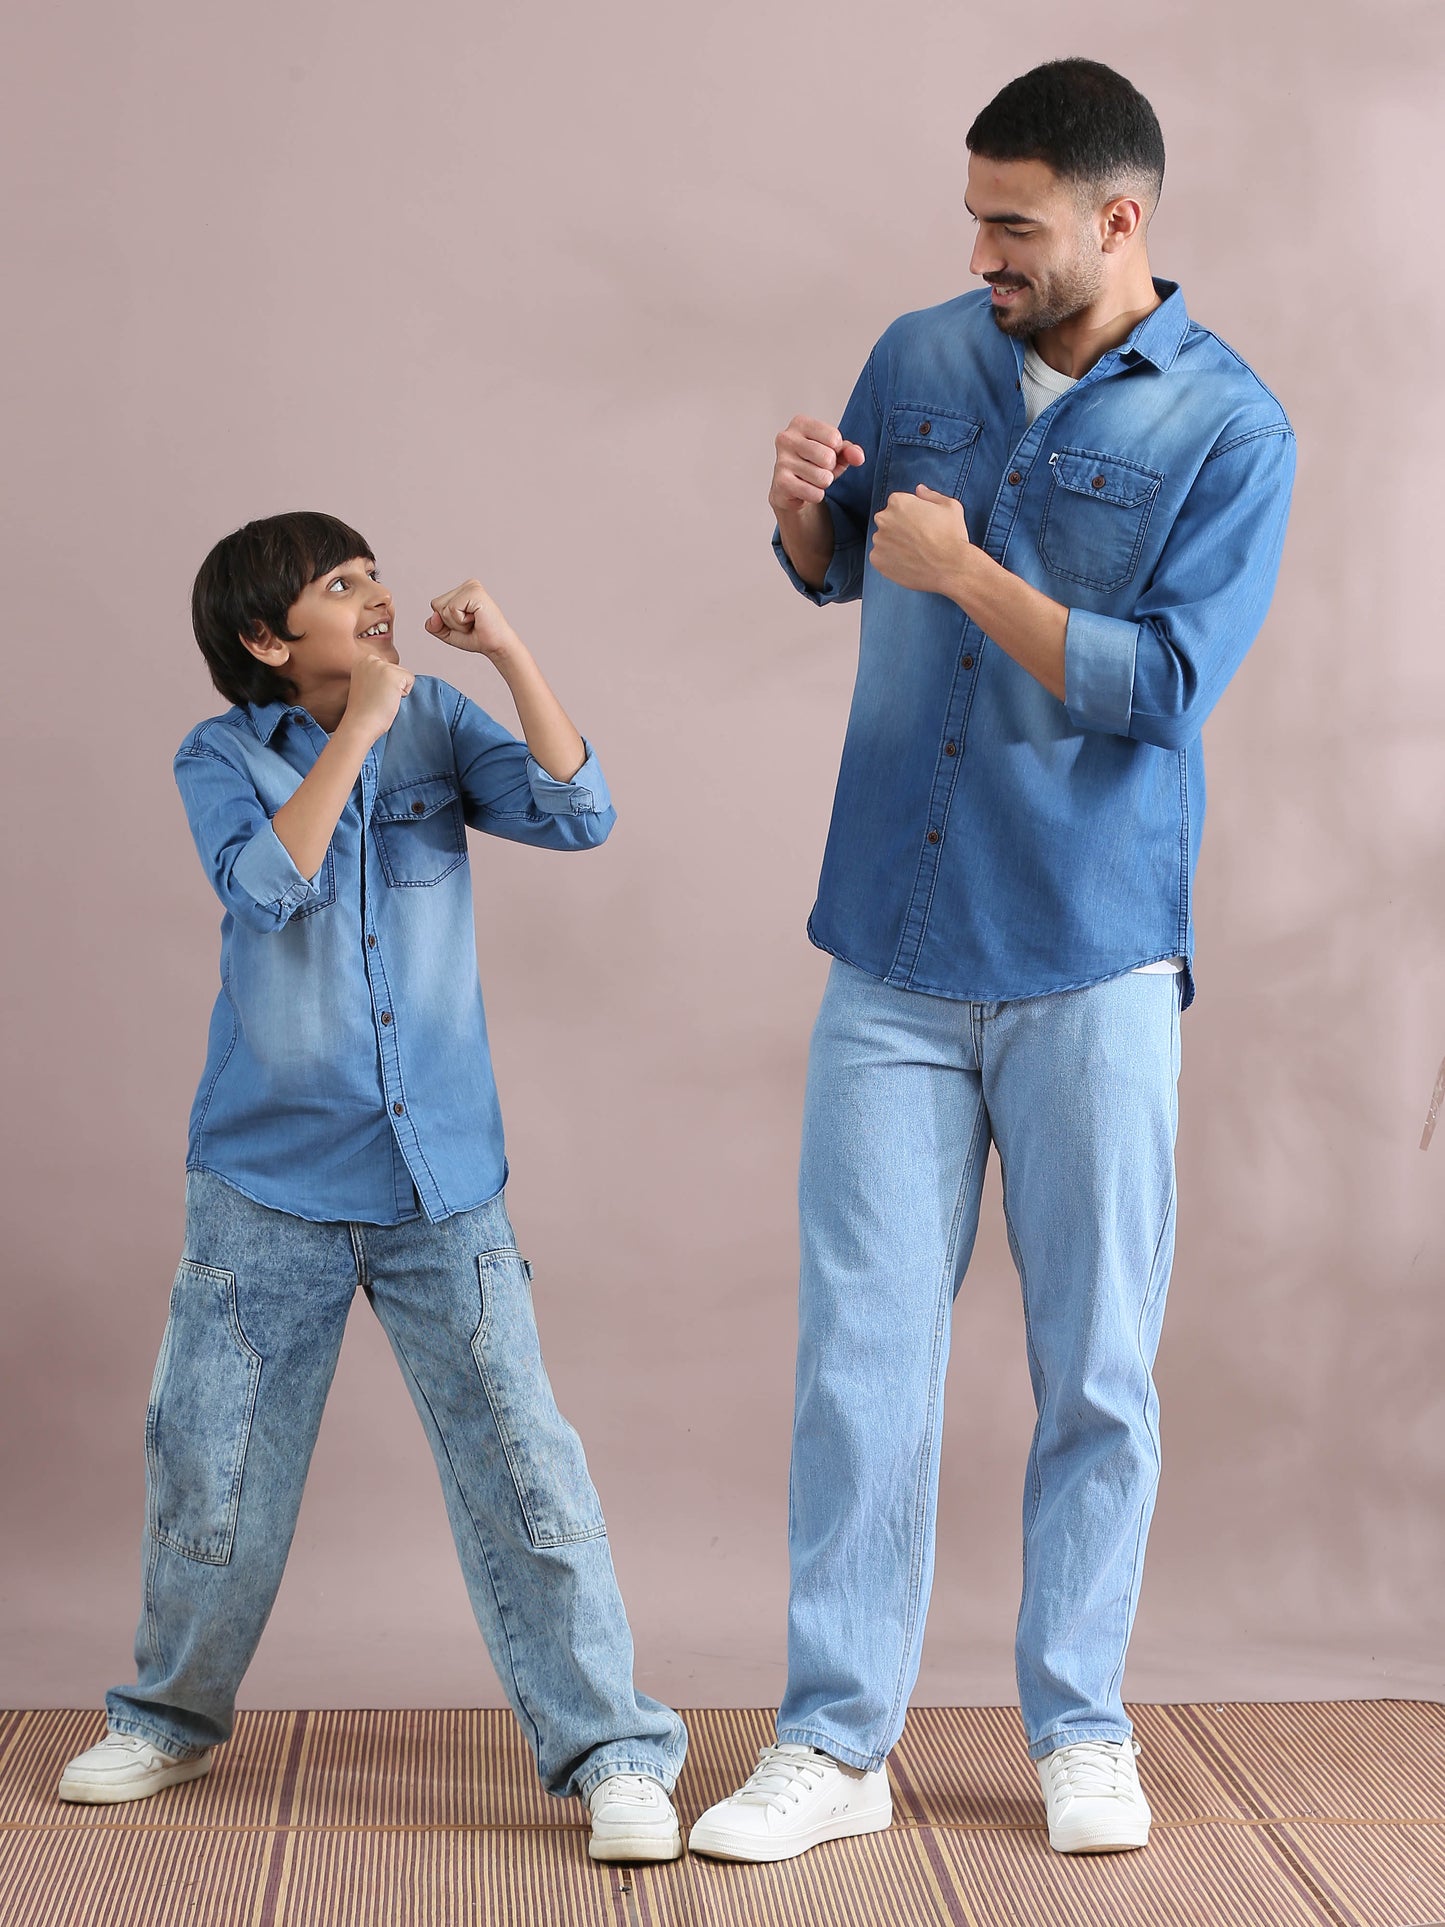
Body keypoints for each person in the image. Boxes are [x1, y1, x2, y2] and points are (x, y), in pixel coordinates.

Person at [689, 58, 1295, 1862]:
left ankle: (1078, 1724)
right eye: (971, 215)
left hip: (1091, 956)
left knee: (1095, 1365)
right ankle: (833, 1742)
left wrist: (961, 578)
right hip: (887, 939)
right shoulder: (920, 356)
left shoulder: (1228, 430)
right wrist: (804, 515)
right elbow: (832, 575)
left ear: (1120, 221)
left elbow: (1161, 688)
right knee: (857, 1360)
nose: (980, 252)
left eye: (1013, 224)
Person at [57, 511, 687, 1863]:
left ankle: (613, 1754)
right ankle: (165, 1717)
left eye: (369, 573)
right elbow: (266, 887)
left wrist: (507, 653)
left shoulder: (441, 726)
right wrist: (358, 731)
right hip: (262, 1181)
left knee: (526, 1461)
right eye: (339, 588)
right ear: (269, 641)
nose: (376, 597)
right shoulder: (218, 753)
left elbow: (581, 813)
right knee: (211, 1464)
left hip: (440, 1179)